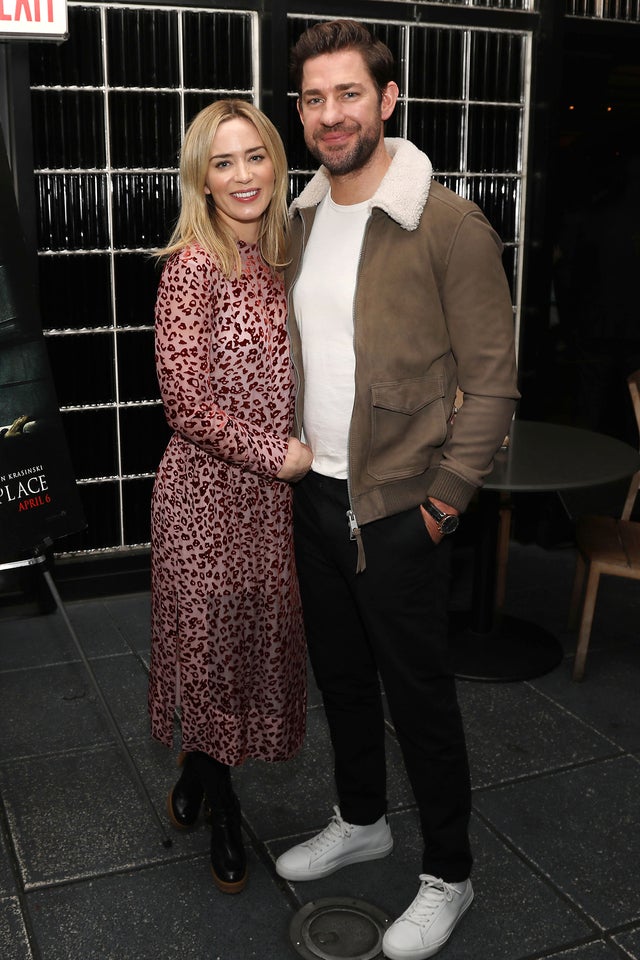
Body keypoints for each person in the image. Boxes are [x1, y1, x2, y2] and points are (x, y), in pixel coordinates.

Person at [274, 20, 520, 960]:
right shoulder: (298, 221)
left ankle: (449, 873)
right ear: (300, 113)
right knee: (340, 678)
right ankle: (363, 819)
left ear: (388, 99)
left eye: (347, 94)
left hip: (401, 509)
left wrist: (446, 502)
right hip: (315, 496)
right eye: (313, 99)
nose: (330, 115)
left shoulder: (446, 223)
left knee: (420, 698)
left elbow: (493, 379)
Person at [148, 99, 313, 895]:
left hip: (267, 510)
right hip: (204, 505)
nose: (243, 175)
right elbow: (185, 405)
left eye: (255, 157)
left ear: (277, 164)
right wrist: (276, 454)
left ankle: (196, 771)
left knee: (244, 655)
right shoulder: (192, 265)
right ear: (201, 180)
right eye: (223, 162)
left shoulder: (286, 255)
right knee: (212, 657)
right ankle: (222, 807)